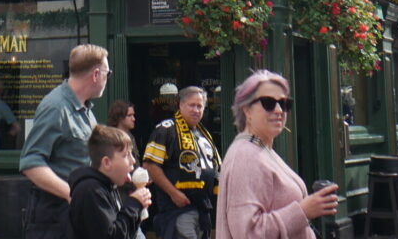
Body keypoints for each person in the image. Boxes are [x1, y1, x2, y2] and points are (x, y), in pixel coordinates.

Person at [217, 70, 338, 239]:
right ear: (247, 111)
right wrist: (303, 211)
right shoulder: (245, 156)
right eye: (268, 103)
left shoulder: (261, 148)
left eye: (284, 103)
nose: (279, 110)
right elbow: (247, 233)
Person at [21, 44, 111, 239]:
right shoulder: (56, 107)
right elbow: (31, 163)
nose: (107, 79)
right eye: (107, 73)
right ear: (96, 74)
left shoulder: (85, 110)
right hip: (54, 216)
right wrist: (72, 194)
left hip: (74, 212)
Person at [143, 87, 222, 239]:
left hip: (203, 208)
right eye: (192, 105)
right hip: (178, 209)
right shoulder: (166, 129)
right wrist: (174, 194)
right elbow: (151, 165)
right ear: (180, 105)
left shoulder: (204, 134)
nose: (196, 110)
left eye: (199, 106)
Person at [68, 125, 153, 239]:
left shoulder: (108, 187)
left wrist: (138, 211)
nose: (133, 161)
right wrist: (133, 205)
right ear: (107, 163)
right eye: (126, 155)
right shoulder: (91, 190)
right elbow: (111, 235)